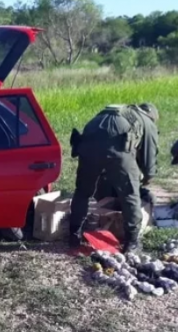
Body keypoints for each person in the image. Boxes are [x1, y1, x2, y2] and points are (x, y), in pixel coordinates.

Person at [68, 103, 160, 253]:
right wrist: (148, 176)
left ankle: (73, 235)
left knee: (82, 192)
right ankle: (132, 243)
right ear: (152, 116)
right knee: (130, 194)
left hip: (87, 146)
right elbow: (149, 156)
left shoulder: (115, 113)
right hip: (118, 152)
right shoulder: (147, 122)